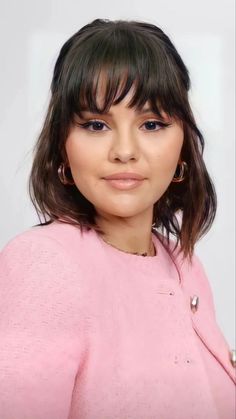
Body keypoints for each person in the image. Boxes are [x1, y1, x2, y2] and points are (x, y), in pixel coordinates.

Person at [0, 18, 235, 419]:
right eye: (96, 124)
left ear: (183, 148)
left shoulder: (183, 262)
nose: (124, 151)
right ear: (63, 146)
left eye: (152, 124)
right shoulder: (44, 262)